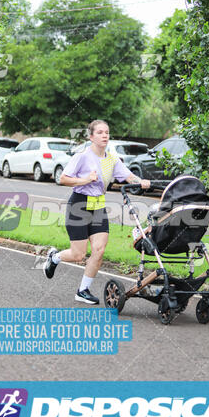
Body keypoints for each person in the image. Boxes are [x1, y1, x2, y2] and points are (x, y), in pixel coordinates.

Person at [43, 120, 150, 304]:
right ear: (91, 137)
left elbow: (127, 175)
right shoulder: (82, 156)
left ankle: (83, 290)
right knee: (78, 255)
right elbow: (63, 178)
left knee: (99, 251)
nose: (104, 135)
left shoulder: (112, 159)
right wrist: (85, 180)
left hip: (99, 207)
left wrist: (140, 181)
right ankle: (54, 258)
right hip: (79, 205)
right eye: (100, 132)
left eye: (107, 132)